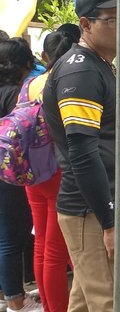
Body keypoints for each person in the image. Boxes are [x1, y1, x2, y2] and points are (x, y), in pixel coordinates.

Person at [42, 0, 120, 311]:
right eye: (114, 19)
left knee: (89, 302)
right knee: (119, 303)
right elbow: (83, 153)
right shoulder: (83, 71)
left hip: (108, 203)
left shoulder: (99, 64)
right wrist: (111, 221)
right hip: (95, 210)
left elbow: (107, 140)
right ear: (85, 25)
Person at [23, 32, 74, 312]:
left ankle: (48, 305)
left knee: (41, 242)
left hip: (31, 170)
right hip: (57, 171)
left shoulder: (30, 83)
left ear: (44, 57)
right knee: (56, 250)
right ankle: (58, 308)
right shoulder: (65, 81)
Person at [0, 38, 43, 312]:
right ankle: (16, 299)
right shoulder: (15, 95)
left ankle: (8, 292)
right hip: (9, 174)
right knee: (12, 237)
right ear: (26, 64)